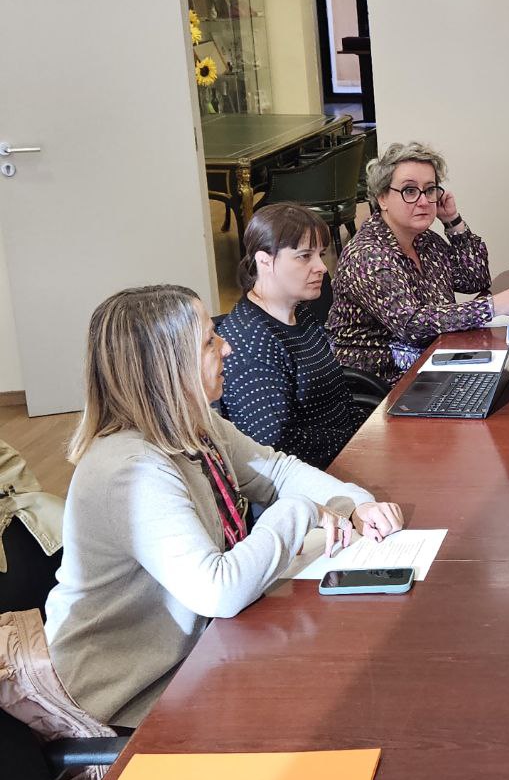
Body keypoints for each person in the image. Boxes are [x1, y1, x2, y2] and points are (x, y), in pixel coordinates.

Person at [45, 285, 405, 728]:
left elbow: (274, 469)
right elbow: (218, 590)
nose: (227, 348)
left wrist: (355, 504)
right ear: (168, 368)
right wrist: (302, 510)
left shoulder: (192, 424)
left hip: (203, 653)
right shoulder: (130, 471)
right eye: (210, 341)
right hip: (136, 699)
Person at [328, 141, 509, 383]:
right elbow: (412, 324)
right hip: (384, 381)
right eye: (409, 190)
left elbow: (474, 279)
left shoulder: (425, 240)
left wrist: (452, 221)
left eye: (429, 190)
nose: (424, 201)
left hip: (432, 360)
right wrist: (493, 306)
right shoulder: (368, 255)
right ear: (382, 198)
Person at [218, 204, 359, 469]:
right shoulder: (251, 342)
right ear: (264, 261)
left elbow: (339, 400)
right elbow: (276, 445)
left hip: (346, 455)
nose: (321, 267)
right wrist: (357, 441)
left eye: (321, 254)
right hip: (312, 480)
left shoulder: (301, 314)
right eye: (304, 256)